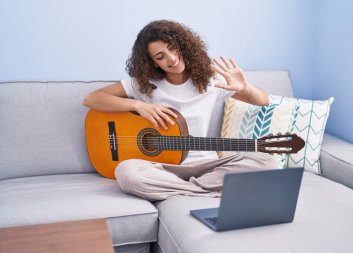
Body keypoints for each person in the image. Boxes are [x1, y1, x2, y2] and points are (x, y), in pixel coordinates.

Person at [83, 20, 280, 201]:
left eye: (172, 48)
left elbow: (262, 100)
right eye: (161, 56)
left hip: (206, 167)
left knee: (268, 161)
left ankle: (185, 190)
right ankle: (207, 191)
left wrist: (245, 87)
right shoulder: (143, 85)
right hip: (162, 169)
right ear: (154, 63)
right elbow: (92, 99)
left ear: (182, 44)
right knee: (126, 172)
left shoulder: (209, 81)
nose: (172, 59)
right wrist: (138, 105)